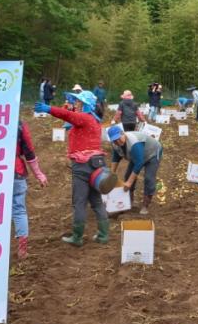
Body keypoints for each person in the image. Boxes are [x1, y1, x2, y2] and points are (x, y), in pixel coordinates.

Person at [34, 90, 111, 247]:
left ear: (86, 105)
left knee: (79, 202)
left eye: (79, 102)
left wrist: (49, 109)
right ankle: (103, 235)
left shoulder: (84, 117)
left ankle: (77, 237)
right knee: (96, 201)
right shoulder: (95, 120)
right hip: (97, 164)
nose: (76, 104)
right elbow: (72, 119)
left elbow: (67, 115)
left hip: (82, 165)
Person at [108, 126, 163, 215]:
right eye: (114, 140)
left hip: (152, 153)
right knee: (128, 176)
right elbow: (115, 158)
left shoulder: (134, 142)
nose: (117, 142)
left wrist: (129, 183)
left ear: (123, 133)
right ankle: (129, 202)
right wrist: (111, 174)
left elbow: (139, 163)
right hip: (137, 155)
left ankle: (145, 205)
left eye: (118, 138)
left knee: (148, 178)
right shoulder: (115, 144)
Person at [14, 120, 48, 259]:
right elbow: (29, 150)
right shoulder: (18, 123)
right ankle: (22, 249)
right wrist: (38, 174)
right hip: (15, 171)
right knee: (19, 210)